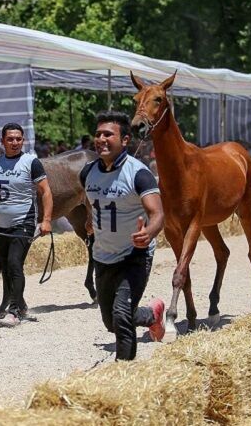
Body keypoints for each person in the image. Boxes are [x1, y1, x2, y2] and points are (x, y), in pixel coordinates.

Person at [80, 111, 166, 361]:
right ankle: (151, 315)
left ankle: (123, 376)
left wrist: (148, 233)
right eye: (98, 134)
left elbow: (158, 213)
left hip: (134, 255)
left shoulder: (138, 174)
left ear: (125, 140)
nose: (101, 139)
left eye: (108, 134)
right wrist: (90, 220)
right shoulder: (87, 173)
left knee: (121, 316)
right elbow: (92, 201)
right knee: (111, 322)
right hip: (103, 255)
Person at [0, 122, 53, 328]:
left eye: (18, 139)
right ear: (2, 141)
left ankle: (14, 312)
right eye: (10, 139)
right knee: (6, 266)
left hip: (24, 223)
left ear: (23, 140)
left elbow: (46, 191)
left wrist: (46, 220)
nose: (15, 142)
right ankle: (21, 305)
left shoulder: (31, 162)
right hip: (1, 226)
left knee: (14, 264)